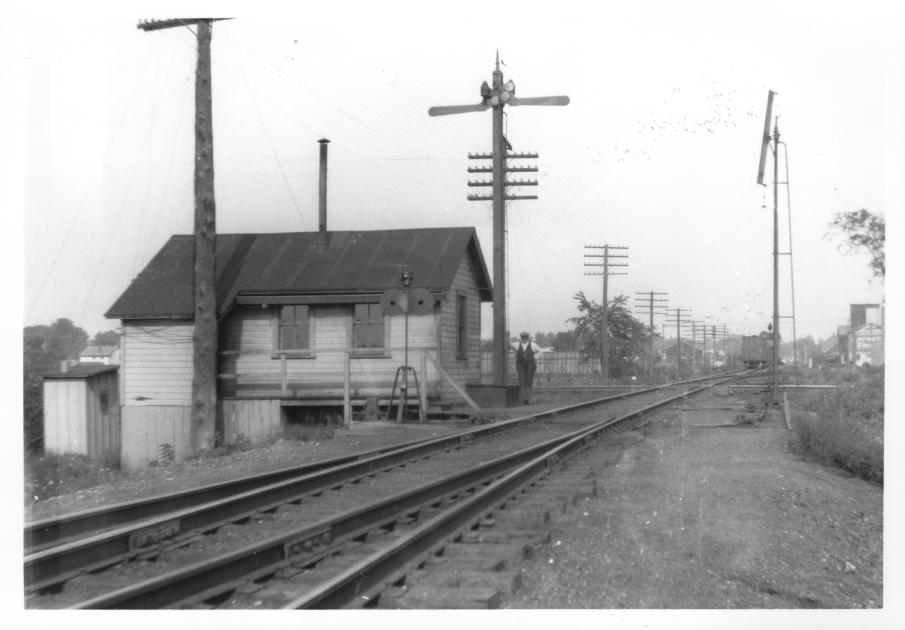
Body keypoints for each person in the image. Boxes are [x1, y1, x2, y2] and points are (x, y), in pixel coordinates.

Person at [516, 332, 537, 405]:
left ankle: (528, 400)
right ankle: (522, 400)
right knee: (522, 382)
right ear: (521, 338)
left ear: (527, 338)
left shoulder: (533, 345)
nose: (524, 339)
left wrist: (535, 357)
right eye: (522, 337)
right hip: (521, 366)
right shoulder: (517, 345)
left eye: (525, 337)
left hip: (530, 366)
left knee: (528, 382)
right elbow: (510, 345)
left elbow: (540, 351)